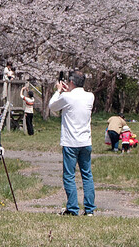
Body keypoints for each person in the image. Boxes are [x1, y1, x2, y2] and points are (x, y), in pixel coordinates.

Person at [49, 70, 96, 216]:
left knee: (69, 175)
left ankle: (73, 208)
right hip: (85, 141)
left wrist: (59, 91)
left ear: (71, 82)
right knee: (86, 175)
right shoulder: (90, 96)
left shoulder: (67, 97)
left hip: (70, 142)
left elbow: (52, 106)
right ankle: (89, 209)